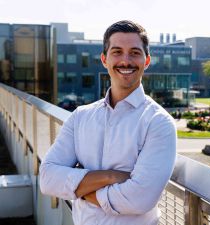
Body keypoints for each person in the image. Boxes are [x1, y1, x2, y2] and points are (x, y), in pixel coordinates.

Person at [39, 20, 177, 225]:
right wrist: (111, 176)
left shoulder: (158, 122)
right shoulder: (80, 117)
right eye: (117, 52)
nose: (126, 60)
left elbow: (139, 199)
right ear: (104, 59)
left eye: (135, 53)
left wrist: (79, 189)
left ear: (146, 61)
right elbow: (47, 180)